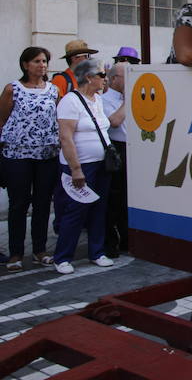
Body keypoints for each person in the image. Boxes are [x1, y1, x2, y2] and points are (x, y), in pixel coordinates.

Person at [53, 59, 116, 274]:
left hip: (101, 164)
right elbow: (66, 137)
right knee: (76, 210)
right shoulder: (70, 101)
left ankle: (97, 252)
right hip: (81, 166)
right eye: (101, 75)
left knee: (99, 208)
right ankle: (62, 257)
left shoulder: (97, 100)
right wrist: (76, 169)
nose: (104, 79)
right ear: (89, 77)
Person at [0, 47, 59, 271]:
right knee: (18, 204)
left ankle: (40, 250)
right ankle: (16, 253)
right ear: (25, 64)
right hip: (17, 155)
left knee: (43, 203)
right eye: (36, 61)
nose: (42, 65)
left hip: (46, 155)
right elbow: (2, 119)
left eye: (44, 61)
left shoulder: (53, 90)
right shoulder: (12, 89)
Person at [101, 62, 128, 258]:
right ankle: (110, 242)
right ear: (113, 79)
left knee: (130, 197)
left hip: (134, 148)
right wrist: (130, 100)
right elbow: (114, 122)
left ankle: (127, 239)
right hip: (116, 148)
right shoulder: (104, 99)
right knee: (115, 197)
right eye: (125, 74)